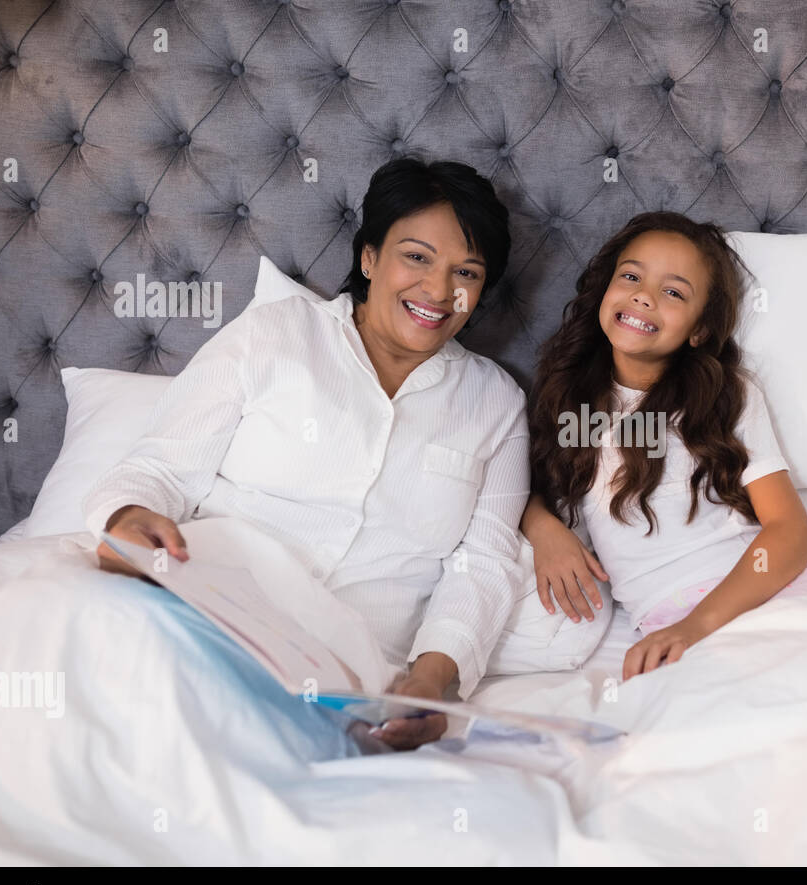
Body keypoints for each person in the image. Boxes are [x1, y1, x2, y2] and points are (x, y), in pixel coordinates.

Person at [85, 157, 527, 750]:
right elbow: (160, 467)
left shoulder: (496, 402)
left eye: (466, 272)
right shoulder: (273, 334)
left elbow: (485, 563)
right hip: (200, 618)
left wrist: (431, 678)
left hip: (350, 677)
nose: (439, 290)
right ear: (369, 256)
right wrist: (128, 521)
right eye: (417, 257)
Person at [522, 212, 807, 681]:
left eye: (673, 292)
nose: (644, 295)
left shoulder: (724, 397)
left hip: (767, 594)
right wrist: (544, 530)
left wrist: (695, 626)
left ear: (699, 330)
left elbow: (790, 531)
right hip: (664, 619)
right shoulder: (567, 400)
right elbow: (519, 486)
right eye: (631, 276)